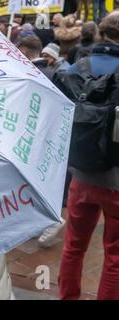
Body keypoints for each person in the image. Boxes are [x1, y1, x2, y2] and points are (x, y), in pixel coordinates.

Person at [59, 11, 119, 300]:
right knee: (115, 255)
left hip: (80, 174)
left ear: (101, 34)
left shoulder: (76, 67)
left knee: (73, 246)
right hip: (116, 180)